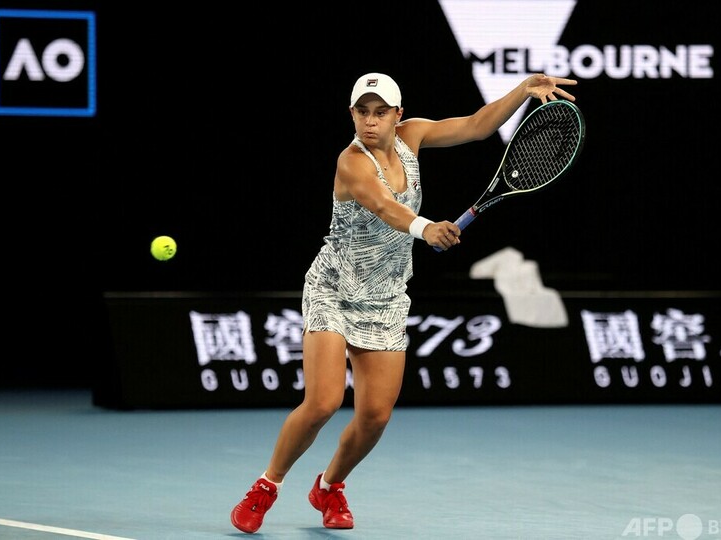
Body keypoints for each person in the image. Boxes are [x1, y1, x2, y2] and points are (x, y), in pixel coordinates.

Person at [230, 71, 577, 534]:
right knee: (323, 402)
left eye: (380, 112)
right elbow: (383, 206)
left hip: (387, 298)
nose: (370, 121)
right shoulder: (351, 162)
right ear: (352, 114)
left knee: (375, 416)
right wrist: (425, 228)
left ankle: (329, 487)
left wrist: (522, 91)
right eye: (362, 112)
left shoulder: (413, 136)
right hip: (334, 289)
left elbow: (477, 125)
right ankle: (266, 486)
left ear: (398, 115)